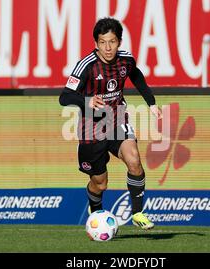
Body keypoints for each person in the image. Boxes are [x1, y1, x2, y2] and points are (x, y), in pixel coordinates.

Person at [59, 17, 162, 230]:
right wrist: (87, 102)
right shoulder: (86, 65)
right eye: (103, 42)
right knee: (100, 183)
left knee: (134, 160)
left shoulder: (126, 60)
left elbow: (137, 76)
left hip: (118, 120)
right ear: (96, 43)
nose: (108, 47)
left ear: (119, 41)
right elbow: (65, 96)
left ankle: (137, 213)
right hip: (91, 129)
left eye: (112, 41)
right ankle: (95, 211)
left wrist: (151, 103)